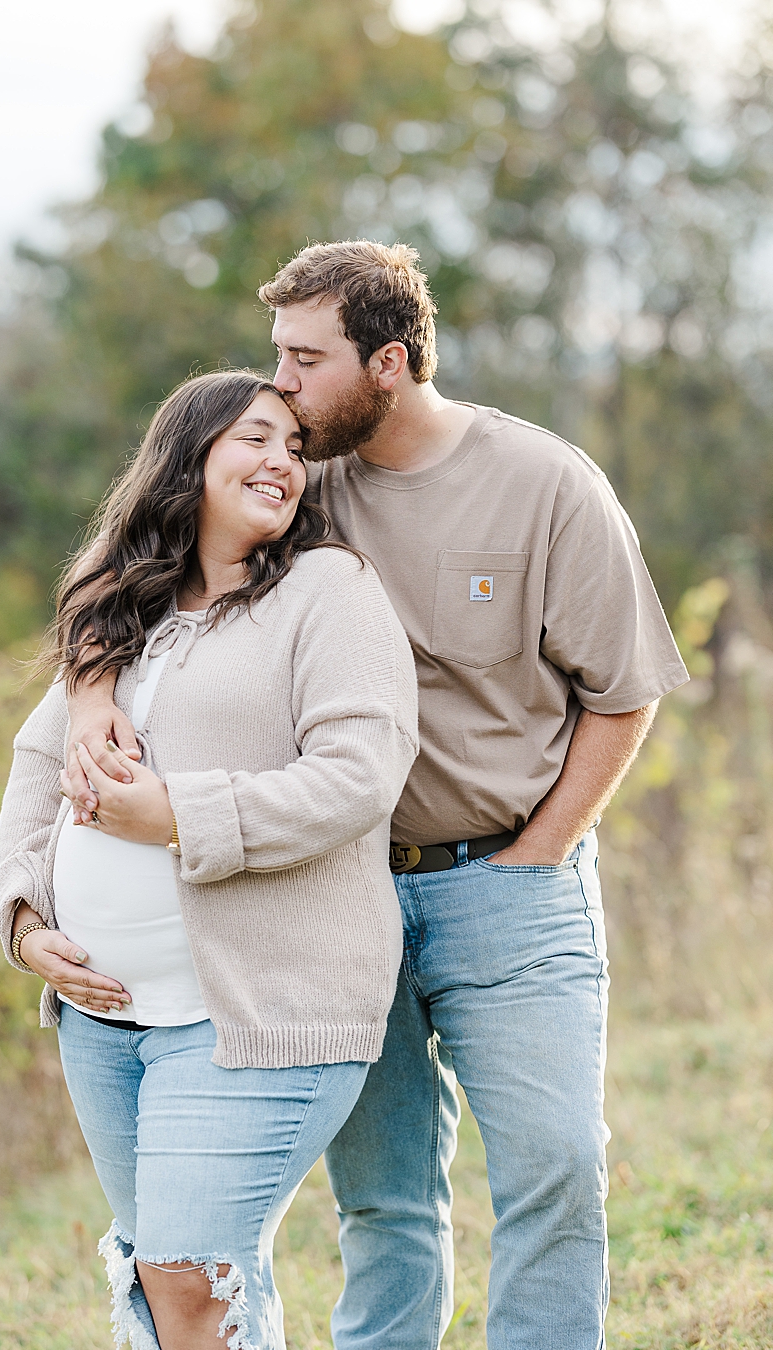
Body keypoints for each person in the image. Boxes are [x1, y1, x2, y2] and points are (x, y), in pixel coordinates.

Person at [64, 244, 690, 1350]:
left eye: (306, 359)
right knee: (386, 1194)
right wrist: (89, 694)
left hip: (509, 879)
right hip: (332, 899)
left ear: (388, 363)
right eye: (278, 357)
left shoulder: (545, 484)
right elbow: (144, 573)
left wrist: (538, 853)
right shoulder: (300, 489)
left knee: (555, 1166)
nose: (283, 385)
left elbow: (625, 692)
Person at [0, 369, 418, 1350]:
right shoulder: (121, 615)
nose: (282, 463)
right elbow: (38, 763)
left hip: (258, 1010)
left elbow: (359, 777)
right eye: (254, 439)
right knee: (157, 1272)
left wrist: (177, 814)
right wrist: (23, 920)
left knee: (188, 1270)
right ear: (189, 456)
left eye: (294, 449)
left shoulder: (329, 591)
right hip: (105, 1019)